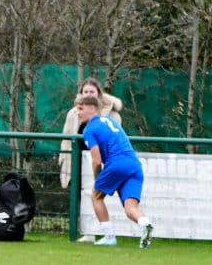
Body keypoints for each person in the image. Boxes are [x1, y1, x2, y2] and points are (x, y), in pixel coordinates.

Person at [76, 94, 153, 248]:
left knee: (96, 196)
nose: (77, 113)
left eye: (80, 109)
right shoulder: (110, 120)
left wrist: (98, 180)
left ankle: (109, 237)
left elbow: (96, 161)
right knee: (130, 208)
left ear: (91, 109)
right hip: (134, 165)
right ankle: (145, 223)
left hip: (117, 164)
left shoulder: (89, 129)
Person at [59, 78, 123, 242]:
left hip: (101, 160)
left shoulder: (111, 115)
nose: (88, 94)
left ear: (98, 94)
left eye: (92, 92)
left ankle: (107, 231)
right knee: (81, 194)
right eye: (85, 92)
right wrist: (64, 157)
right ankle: (88, 232)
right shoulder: (73, 114)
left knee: (98, 193)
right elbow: (66, 137)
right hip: (77, 159)